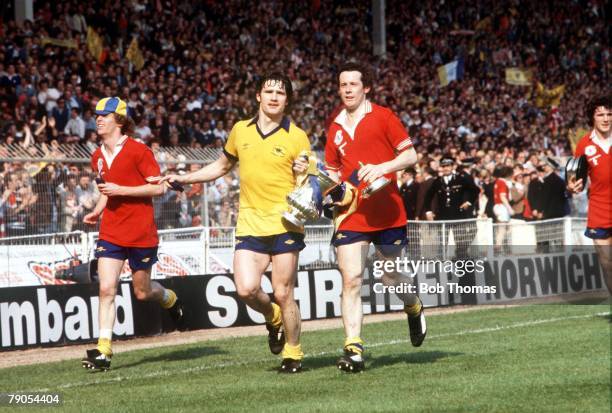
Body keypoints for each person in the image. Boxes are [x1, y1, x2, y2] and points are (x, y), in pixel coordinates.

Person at [155, 73, 311, 373]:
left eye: (280, 92)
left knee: (283, 292)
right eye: (269, 91)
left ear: (287, 100)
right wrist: (185, 178)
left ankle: (293, 353)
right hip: (250, 224)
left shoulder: (297, 135)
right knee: (246, 289)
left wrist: (304, 169)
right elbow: (222, 165)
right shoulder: (241, 130)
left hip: (285, 226)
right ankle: (274, 318)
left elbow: (308, 180)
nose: (274, 96)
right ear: (258, 96)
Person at [324, 62, 424, 373]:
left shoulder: (384, 116)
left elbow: (411, 155)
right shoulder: (335, 125)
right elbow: (331, 169)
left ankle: (413, 305)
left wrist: (382, 168)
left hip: (388, 211)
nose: (348, 90)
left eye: (353, 84)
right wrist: (329, 190)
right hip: (351, 214)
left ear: (366, 87)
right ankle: (353, 347)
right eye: (343, 85)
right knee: (351, 278)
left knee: (389, 277)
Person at [81, 97, 184, 371]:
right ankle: (103, 349)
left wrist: (122, 191)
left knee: (142, 291)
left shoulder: (139, 150)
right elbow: (106, 191)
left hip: (141, 233)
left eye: (105, 115)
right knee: (106, 289)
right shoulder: (97, 156)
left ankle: (169, 298)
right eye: (97, 115)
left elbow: (159, 189)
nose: (98, 119)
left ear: (120, 121)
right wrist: (97, 210)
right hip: (111, 232)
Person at [567, 95, 611, 294]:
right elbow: (577, 179)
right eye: (600, 114)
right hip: (600, 208)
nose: (605, 118)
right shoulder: (584, 144)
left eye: (609, 114)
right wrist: (574, 187)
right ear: (592, 117)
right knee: (606, 262)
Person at [424, 156, 479, 257]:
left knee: (461, 244)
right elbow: (428, 196)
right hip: (442, 217)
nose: (446, 168)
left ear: (453, 166)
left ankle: (462, 267)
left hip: (458, 216)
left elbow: (475, 190)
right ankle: (442, 267)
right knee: (442, 244)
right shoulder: (437, 181)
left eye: (448, 166)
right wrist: (428, 211)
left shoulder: (461, 179)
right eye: (443, 166)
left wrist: (468, 202)